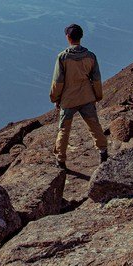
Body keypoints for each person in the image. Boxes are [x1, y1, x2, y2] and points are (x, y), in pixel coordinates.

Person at [49, 23, 108, 168]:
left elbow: (58, 82)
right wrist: (97, 96)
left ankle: (61, 160)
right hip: (87, 97)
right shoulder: (91, 56)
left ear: (68, 37)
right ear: (81, 36)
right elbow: (96, 79)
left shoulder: (63, 57)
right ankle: (103, 152)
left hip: (68, 99)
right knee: (94, 125)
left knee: (64, 129)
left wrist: (55, 98)